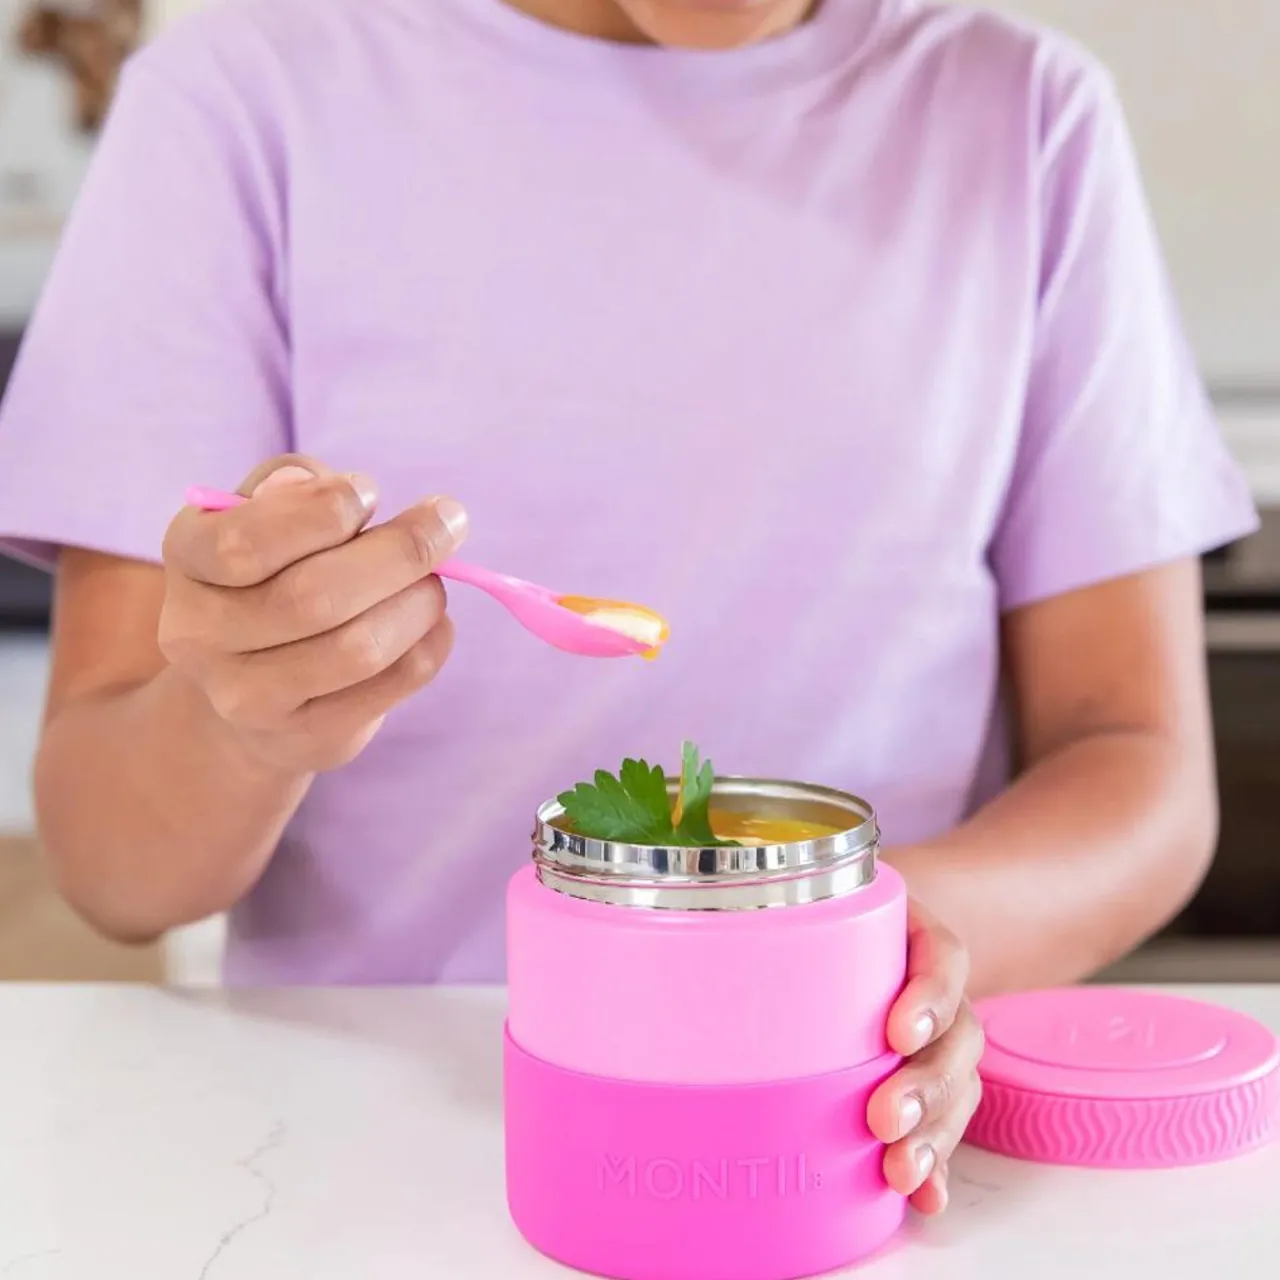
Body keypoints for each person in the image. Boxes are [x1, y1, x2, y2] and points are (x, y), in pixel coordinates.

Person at [0, 0, 1256, 1214]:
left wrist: (867, 946)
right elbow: (114, 867)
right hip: (352, 1166)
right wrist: (242, 724)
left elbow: (1137, 770)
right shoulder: (238, 104)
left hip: (845, 1153)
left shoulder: (1023, 114)